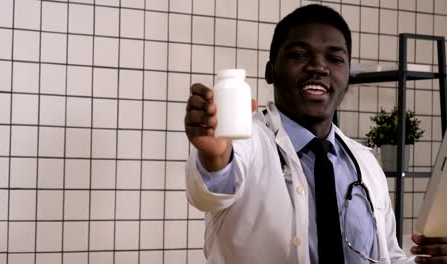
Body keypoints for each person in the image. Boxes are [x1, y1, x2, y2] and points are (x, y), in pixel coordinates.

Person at [184, 4, 447, 264]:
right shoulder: (246, 141)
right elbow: (211, 191)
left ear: (347, 75)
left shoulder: (364, 163)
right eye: (299, 54)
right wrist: (216, 156)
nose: (319, 67)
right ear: (270, 71)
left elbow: (386, 257)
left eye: (334, 59)